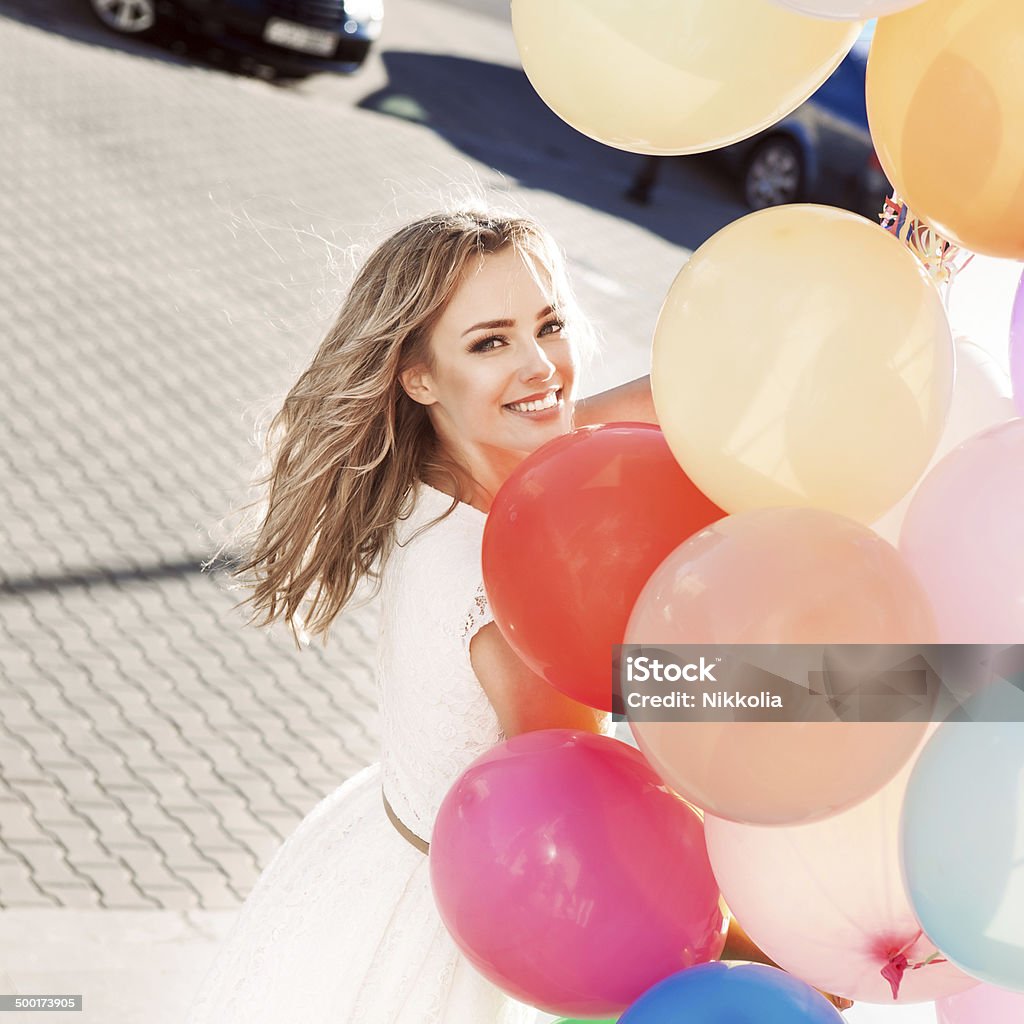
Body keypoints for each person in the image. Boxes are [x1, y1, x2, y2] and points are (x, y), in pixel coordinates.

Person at [185, 207, 848, 1021]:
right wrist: (788, 956)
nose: (542, 366)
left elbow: (647, 411)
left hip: (393, 847)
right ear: (418, 376)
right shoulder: (500, 589)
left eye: (550, 324)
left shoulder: (457, 466)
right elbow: (596, 839)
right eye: (490, 341)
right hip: (503, 921)